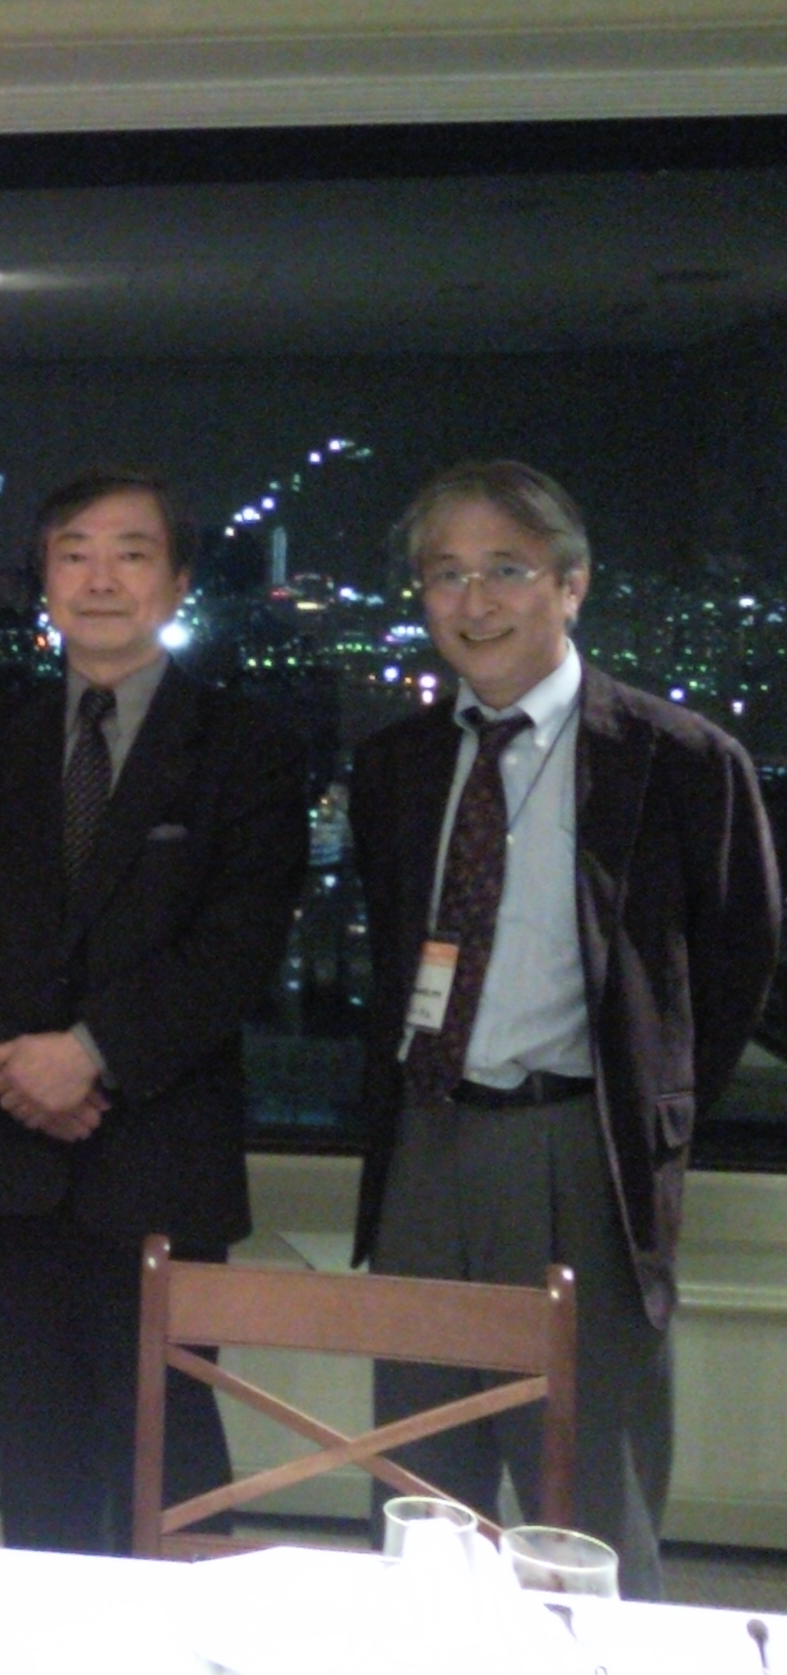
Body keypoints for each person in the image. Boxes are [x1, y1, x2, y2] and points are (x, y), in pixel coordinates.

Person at [351, 461, 779, 1599]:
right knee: (417, 1488)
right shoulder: (396, 764)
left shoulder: (677, 761)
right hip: (424, 1146)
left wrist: (645, 1102)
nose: (474, 600)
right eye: (446, 574)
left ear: (572, 585)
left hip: (582, 1150)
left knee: (588, 1500)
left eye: (506, 569)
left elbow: (737, 966)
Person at [0, 469, 308, 1555]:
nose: (99, 577)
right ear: (42, 580)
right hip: (12, 1149)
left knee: (167, 1443)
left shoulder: (247, 745)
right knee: (35, 1436)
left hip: (162, 1145)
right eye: (73, 553)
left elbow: (236, 949)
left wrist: (88, 1055)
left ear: (175, 583)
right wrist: (14, 1067)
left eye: (130, 553)